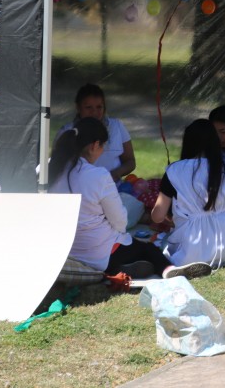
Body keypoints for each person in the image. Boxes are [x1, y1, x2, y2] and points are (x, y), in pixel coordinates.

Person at [48, 117, 205, 279]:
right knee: (148, 249)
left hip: (60, 250)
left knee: (127, 246)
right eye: (103, 147)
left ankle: (120, 268)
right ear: (95, 145)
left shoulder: (45, 170)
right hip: (99, 253)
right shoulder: (98, 176)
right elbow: (120, 220)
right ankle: (166, 269)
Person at [151, 119, 225, 269]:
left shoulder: (174, 170)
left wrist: (176, 217)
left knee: (161, 241)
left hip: (189, 251)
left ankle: (174, 266)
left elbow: (157, 216)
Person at [59, 83, 135, 182]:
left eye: (99, 107)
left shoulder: (117, 126)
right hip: (79, 188)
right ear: (78, 107)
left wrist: (115, 174)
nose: (94, 112)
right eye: (88, 107)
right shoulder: (67, 131)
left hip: (113, 187)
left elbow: (130, 161)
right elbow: (58, 165)